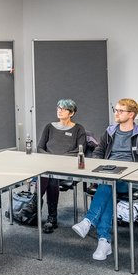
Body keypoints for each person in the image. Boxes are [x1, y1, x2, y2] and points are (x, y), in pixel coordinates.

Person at [72, 98, 138, 260]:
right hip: (109, 174)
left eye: (120, 111)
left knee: (107, 186)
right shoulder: (110, 131)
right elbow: (98, 151)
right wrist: (98, 163)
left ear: (131, 114)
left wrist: (134, 170)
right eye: (115, 110)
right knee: (108, 185)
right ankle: (104, 241)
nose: (116, 113)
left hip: (130, 179)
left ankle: (89, 222)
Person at [35, 99, 86, 233]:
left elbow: (80, 150)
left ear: (72, 113)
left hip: (66, 167)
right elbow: (39, 148)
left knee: (48, 175)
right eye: (58, 108)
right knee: (48, 175)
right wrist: (50, 159)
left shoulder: (78, 129)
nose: (59, 111)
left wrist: (58, 160)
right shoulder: (49, 127)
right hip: (48, 165)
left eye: (63, 109)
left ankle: (36, 205)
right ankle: (51, 217)